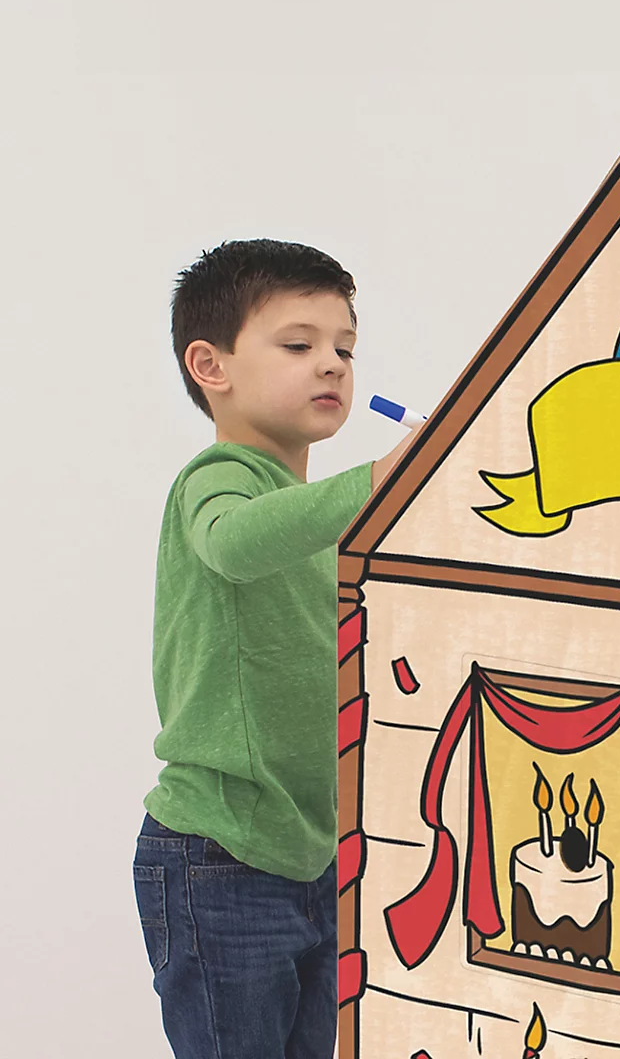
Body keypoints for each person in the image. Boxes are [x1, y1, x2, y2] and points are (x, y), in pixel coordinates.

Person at [132, 239, 417, 1058]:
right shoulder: (218, 480)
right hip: (220, 852)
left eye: (345, 349)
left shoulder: (321, 519)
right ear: (210, 366)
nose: (330, 364)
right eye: (299, 345)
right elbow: (234, 543)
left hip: (315, 857)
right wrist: (378, 479)